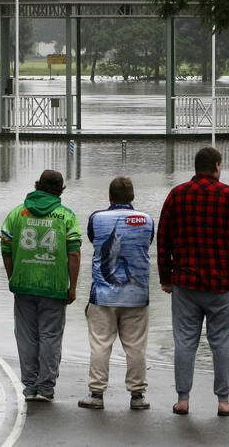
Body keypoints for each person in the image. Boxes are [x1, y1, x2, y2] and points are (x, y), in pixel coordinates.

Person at [157, 147, 229, 417]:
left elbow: (163, 241)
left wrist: (166, 278)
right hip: (222, 283)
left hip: (185, 284)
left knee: (185, 342)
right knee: (222, 342)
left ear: (195, 167)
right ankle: (223, 401)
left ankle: (183, 399)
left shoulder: (176, 195)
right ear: (217, 167)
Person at [0, 169, 81, 402]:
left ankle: (30, 387)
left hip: (23, 284)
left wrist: (12, 276)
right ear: (60, 190)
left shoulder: (17, 213)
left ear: (37, 185)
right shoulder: (66, 216)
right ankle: (46, 387)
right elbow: (74, 254)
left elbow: (5, 248)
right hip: (54, 286)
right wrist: (72, 286)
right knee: (50, 336)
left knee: (26, 337)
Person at [78, 176, 155, 411]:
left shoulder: (97, 218)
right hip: (137, 295)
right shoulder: (147, 220)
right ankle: (138, 395)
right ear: (132, 197)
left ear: (110, 197)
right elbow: (147, 242)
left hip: (103, 295)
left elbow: (94, 240)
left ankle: (96, 394)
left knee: (101, 345)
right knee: (136, 346)